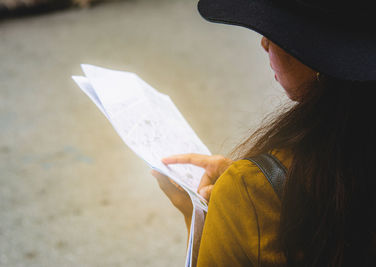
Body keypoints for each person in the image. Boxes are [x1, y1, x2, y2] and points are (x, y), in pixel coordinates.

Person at [152, 0, 376, 266]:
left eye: (275, 32)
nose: (264, 43)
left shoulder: (251, 195)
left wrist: (202, 217)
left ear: (315, 56)